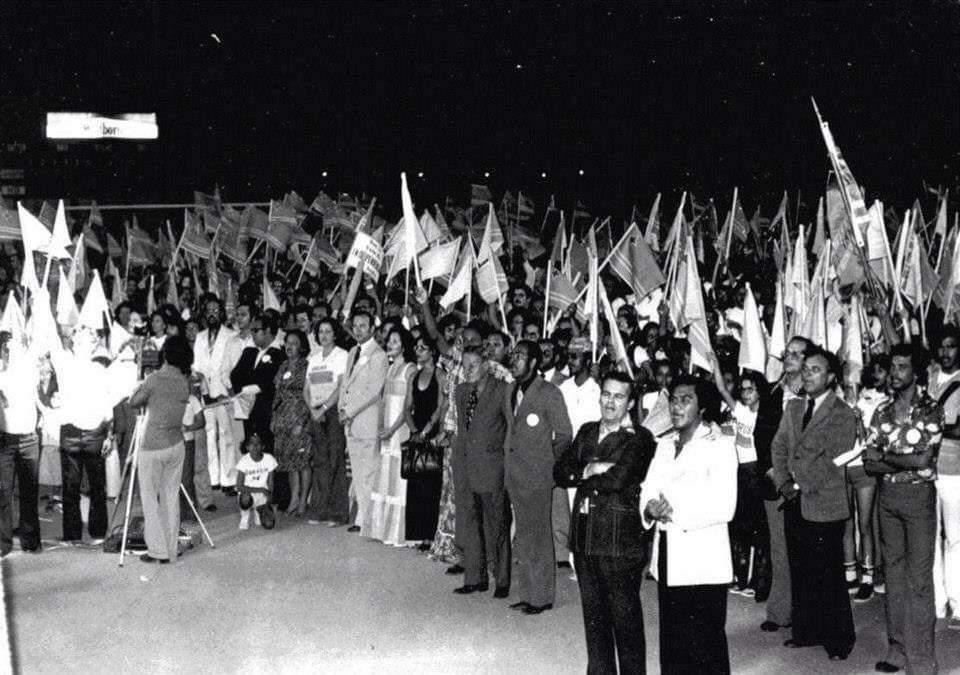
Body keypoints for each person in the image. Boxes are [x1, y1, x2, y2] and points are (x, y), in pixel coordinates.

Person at [555, 371, 656, 674]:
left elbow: (620, 479)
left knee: (626, 623)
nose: (610, 402)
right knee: (594, 621)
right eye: (606, 394)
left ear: (630, 402)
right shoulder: (587, 430)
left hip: (619, 543)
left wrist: (584, 472)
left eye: (619, 396)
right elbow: (560, 471)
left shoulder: (640, 438)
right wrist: (590, 470)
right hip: (585, 538)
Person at [640, 375, 737, 674]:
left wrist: (674, 512)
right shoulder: (664, 444)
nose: (676, 407)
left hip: (703, 558)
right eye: (673, 400)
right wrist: (649, 508)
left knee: (706, 642)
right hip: (669, 553)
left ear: (702, 407)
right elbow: (648, 488)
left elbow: (725, 505)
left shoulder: (720, 446)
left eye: (686, 400)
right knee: (673, 640)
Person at [771, 346, 858, 661]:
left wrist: (799, 483)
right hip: (794, 498)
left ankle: (839, 640)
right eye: (805, 369)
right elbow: (779, 446)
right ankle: (806, 631)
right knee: (801, 567)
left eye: (816, 370)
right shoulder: (794, 407)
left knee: (828, 572)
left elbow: (834, 459)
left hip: (823, 500)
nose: (807, 375)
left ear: (831, 377)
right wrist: (783, 482)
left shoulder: (842, 413)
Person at [864, 343, 941, 674]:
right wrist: (901, 461)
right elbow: (869, 462)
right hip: (888, 499)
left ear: (916, 372)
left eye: (902, 367)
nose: (894, 373)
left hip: (918, 498)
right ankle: (898, 649)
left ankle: (922, 660)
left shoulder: (930, 409)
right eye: (892, 367)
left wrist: (887, 458)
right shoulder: (881, 411)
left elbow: (924, 459)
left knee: (919, 579)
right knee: (893, 575)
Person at [503, 340, 573, 615]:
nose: (514, 360)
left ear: (533, 362)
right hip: (515, 473)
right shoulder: (511, 390)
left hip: (538, 475)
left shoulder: (549, 393)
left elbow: (564, 435)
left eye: (520, 356)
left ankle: (541, 597)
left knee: (539, 535)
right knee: (523, 534)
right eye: (513, 355)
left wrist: (547, 464)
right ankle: (527, 593)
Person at [754, 335, 813, 632]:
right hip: (774, 480)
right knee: (779, 548)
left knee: (805, 549)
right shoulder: (772, 392)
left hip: (806, 484)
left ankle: (805, 615)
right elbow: (760, 436)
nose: (789, 357)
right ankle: (779, 612)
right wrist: (772, 471)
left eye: (796, 354)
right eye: (787, 352)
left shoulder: (813, 395)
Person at [451, 347, 512, 596]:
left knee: (497, 525)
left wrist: (506, 464)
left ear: (486, 365)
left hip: (492, 467)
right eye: (464, 365)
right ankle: (474, 578)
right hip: (466, 467)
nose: (468, 370)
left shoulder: (502, 390)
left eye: (474, 364)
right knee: (470, 523)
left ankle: (502, 580)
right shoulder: (461, 391)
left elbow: (510, 428)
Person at [128, 335, 193, 564]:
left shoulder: (154, 379)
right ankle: (170, 550)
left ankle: (157, 550)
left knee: (149, 499)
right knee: (170, 498)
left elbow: (134, 401)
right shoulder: (184, 382)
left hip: (153, 445)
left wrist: (140, 384)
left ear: (164, 354)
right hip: (176, 444)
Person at [711, 356, 768, 597]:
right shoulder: (741, 411)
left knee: (758, 529)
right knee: (740, 525)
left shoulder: (764, 415)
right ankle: (741, 577)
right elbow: (723, 389)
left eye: (750, 389)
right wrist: (714, 364)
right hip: (739, 472)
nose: (745, 394)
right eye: (743, 389)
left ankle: (758, 580)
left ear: (759, 391)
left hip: (755, 472)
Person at [53, 331, 115, 546]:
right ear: (73, 344)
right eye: (77, 341)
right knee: (70, 487)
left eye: (86, 342)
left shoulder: (100, 371)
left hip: (95, 433)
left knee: (97, 485)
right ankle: (72, 535)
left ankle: (98, 532)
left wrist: (109, 435)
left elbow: (108, 406)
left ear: (93, 346)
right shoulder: (64, 365)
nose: (81, 345)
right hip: (70, 432)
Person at [364, 326, 416, 545]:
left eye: (395, 341)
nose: (390, 345)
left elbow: (408, 407)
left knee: (399, 477)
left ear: (404, 345)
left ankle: (398, 533)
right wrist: (381, 427)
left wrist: (393, 429)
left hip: (399, 429)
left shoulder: (410, 369)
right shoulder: (391, 368)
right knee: (385, 474)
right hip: (387, 428)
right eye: (389, 341)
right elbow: (384, 401)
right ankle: (382, 529)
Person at [843, 355, 889, 601]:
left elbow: (872, 438)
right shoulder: (857, 397)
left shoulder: (886, 402)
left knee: (866, 523)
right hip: (845, 465)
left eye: (883, 370)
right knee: (847, 521)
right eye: (875, 370)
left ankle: (868, 577)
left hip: (864, 468)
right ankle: (850, 572)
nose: (877, 375)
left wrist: (859, 420)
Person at [339, 311, 388, 533]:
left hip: (366, 419)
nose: (358, 330)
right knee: (358, 472)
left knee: (369, 471)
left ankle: (370, 521)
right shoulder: (352, 352)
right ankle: (362, 518)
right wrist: (342, 407)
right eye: (355, 326)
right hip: (351, 422)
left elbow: (373, 391)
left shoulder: (378, 355)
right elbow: (346, 384)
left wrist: (349, 411)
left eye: (363, 326)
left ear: (372, 329)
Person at [304, 316, 349, 527]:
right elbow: (306, 389)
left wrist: (323, 408)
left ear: (335, 334)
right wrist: (313, 410)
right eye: (320, 331)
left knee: (335, 460)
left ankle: (337, 513)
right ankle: (319, 510)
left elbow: (341, 387)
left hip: (332, 412)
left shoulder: (342, 355)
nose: (324, 335)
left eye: (328, 331)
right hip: (315, 413)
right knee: (320, 461)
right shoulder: (313, 358)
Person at [192, 297, 240, 495]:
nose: (212, 314)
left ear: (222, 313)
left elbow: (234, 365)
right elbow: (196, 364)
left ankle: (229, 478)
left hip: (224, 391)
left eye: (215, 310)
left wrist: (226, 388)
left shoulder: (232, 336)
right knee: (209, 433)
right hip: (205, 391)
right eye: (209, 310)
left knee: (226, 434)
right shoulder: (200, 337)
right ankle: (213, 477)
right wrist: (201, 381)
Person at [929, 326, 960, 629]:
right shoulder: (928, 377)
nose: (946, 352)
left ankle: (958, 603)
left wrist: (929, 429)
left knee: (956, 539)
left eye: (951, 346)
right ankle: (937, 603)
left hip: (954, 470)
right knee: (929, 537)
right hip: (925, 470)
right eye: (941, 346)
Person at [0, 334, 41, 554]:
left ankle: (31, 541)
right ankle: (3, 544)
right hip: (5, 440)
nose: (10, 353)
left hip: (29, 439)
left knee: (29, 493)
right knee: (3, 493)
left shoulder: (30, 372)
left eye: (13, 348)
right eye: (6, 349)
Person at [405, 334, 446, 547]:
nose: (418, 351)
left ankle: (431, 535)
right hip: (416, 431)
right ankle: (420, 534)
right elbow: (407, 406)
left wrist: (426, 430)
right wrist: (413, 429)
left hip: (432, 432)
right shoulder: (414, 375)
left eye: (422, 347)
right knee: (416, 484)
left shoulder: (440, 374)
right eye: (416, 347)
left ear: (432, 351)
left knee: (431, 484)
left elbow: (441, 406)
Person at [271, 329, 312, 516]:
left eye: (294, 343)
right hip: (283, 418)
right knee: (289, 461)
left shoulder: (306, 366)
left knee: (302, 462)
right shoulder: (283, 366)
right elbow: (277, 394)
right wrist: (274, 417)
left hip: (299, 417)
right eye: (287, 342)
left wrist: (302, 421)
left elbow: (308, 395)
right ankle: (294, 498)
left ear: (302, 347)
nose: (290, 346)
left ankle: (303, 501)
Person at [230, 312, 285, 450]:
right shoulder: (249, 352)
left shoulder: (279, 354)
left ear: (268, 330)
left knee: (268, 448)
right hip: (247, 409)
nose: (252, 334)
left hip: (267, 411)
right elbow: (235, 376)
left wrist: (251, 385)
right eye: (252, 330)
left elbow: (267, 381)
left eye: (256, 330)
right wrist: (246, 388)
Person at [236, 433, 277, 531]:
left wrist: (269, 498)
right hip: (248, 493)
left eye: (258, 443)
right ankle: (244, 516)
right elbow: (239, 486)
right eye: (251, 443)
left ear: (263, 446)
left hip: (263, 495)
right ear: (247, 447)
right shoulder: (244, 461)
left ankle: (258, 511)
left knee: (269, 524)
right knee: (245, 499)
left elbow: (271, 482)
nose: (255, 446)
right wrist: (261, 489)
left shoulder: (269, 459)